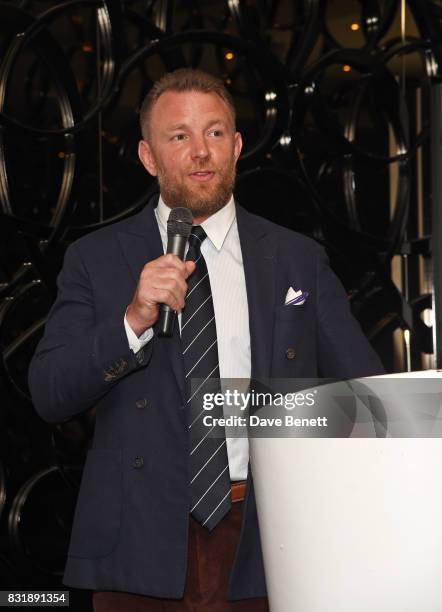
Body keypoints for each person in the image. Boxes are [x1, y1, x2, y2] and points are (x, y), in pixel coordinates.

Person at [28, 68, 384, 611]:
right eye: (180, 136)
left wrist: (266, 411)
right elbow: (50, 392)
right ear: (149, 157)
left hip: (268, 542)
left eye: (215, 133)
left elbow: (367, 400)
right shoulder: (96, 260)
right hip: (138, 548)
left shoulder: (296, 260)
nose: (200, 151)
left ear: (237, 147)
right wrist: (132, 321)